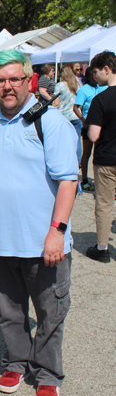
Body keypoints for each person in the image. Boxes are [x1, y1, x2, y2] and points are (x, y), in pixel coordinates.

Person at [0, 49, 78, 396]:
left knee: (49, 311)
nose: (7, 86)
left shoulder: (51, 123)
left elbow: (68, 181)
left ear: (29, 81)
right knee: (9, 310)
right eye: (0, 80)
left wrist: (56, 231)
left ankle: (46, 373)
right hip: (1, 242)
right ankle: (16, 360)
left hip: (45, 242)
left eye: (15, 79)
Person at [85, 51, 116, 263]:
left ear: (106, 69)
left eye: (96, 72)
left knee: (104, 204)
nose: (94, 76)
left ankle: (102, 248)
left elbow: (94, 135)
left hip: (107, 158)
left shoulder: (100, 99)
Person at [73, 67, 103, 192]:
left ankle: (101, 181)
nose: (96, 77)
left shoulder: (102, 87)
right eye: (94, 75)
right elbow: (75, 107)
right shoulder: (84, 90)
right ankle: (85, 180)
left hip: (101, 125)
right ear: (89, 76)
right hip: (88, 126)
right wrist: (83, 120)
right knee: (86, 154)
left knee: (99, 154)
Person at [54, 66, 82, 162]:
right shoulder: (77, 85)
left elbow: (56, 102)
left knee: (63, 140)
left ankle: (65, 160)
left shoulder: (59, 85)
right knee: (77, 140)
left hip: (63, 116)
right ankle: (78, 161)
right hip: (75, 115)